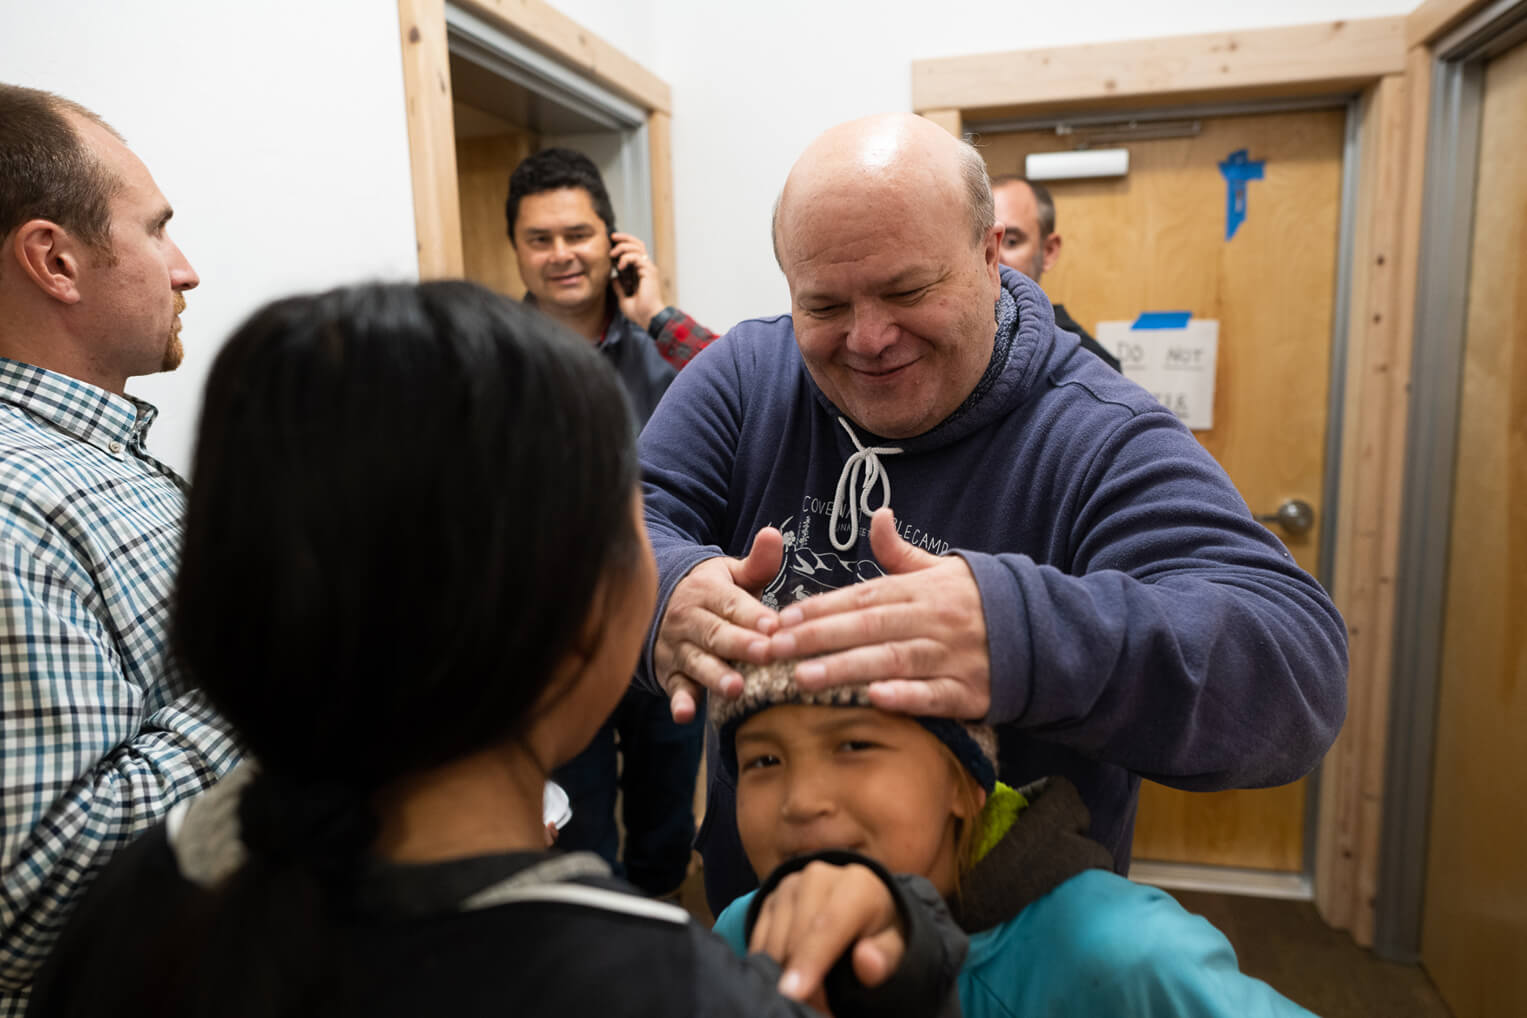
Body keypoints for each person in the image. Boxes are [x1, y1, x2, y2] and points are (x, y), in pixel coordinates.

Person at [25, 281, 967, 1018]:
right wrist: (903, 942)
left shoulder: (145, 904)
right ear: (563, 618)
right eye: (629, 509)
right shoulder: (664, 986)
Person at [636, 113, 1348, 913]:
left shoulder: (1096, 431)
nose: (867, 338)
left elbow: (1296, 674)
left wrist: (1020, 633)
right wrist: (664, 590)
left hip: (1013, 953)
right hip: (766, 915)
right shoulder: (746, 375)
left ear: (989, 255)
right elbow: (616, 525)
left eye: (908, 290)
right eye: (825, 305)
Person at [0, 84, 240, 1015]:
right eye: (155, 231)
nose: (183, 270)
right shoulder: (17, 501)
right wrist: (270, 665)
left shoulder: (91, 464)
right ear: (54, 261)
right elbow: (36, 905)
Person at [709, 660, 1320, 1017]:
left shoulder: (1124, 957)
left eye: (854, 746)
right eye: (763, 762)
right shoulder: (746, 931)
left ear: (965, 785)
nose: (800, 801)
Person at [507, 147, 712, 896]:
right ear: (519, 252)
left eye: (578, 234)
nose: (561, 254)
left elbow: (769, 406)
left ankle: (659, 917)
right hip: (553, 641)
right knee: (579, 828)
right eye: (540, 238)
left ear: (613, 242)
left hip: (662, 620)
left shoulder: (665, 349)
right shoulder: (492, 357)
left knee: (666, 816)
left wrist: (655, 312)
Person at [991, 174, 1121, 371]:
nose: (992, 256)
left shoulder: (1089, 365)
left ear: (1048, 251)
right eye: (982, 241)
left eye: (1011, 242)